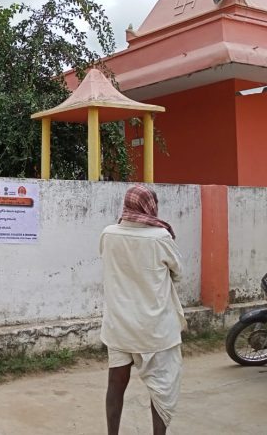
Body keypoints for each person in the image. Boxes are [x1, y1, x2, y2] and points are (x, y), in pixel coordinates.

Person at [100, 185, 186, 435]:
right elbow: (178, 273)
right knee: (161, 390)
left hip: (119, 326)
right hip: (155, 329)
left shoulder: (108, 234)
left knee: (116, 383)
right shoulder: (161, 237)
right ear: (150, 205)